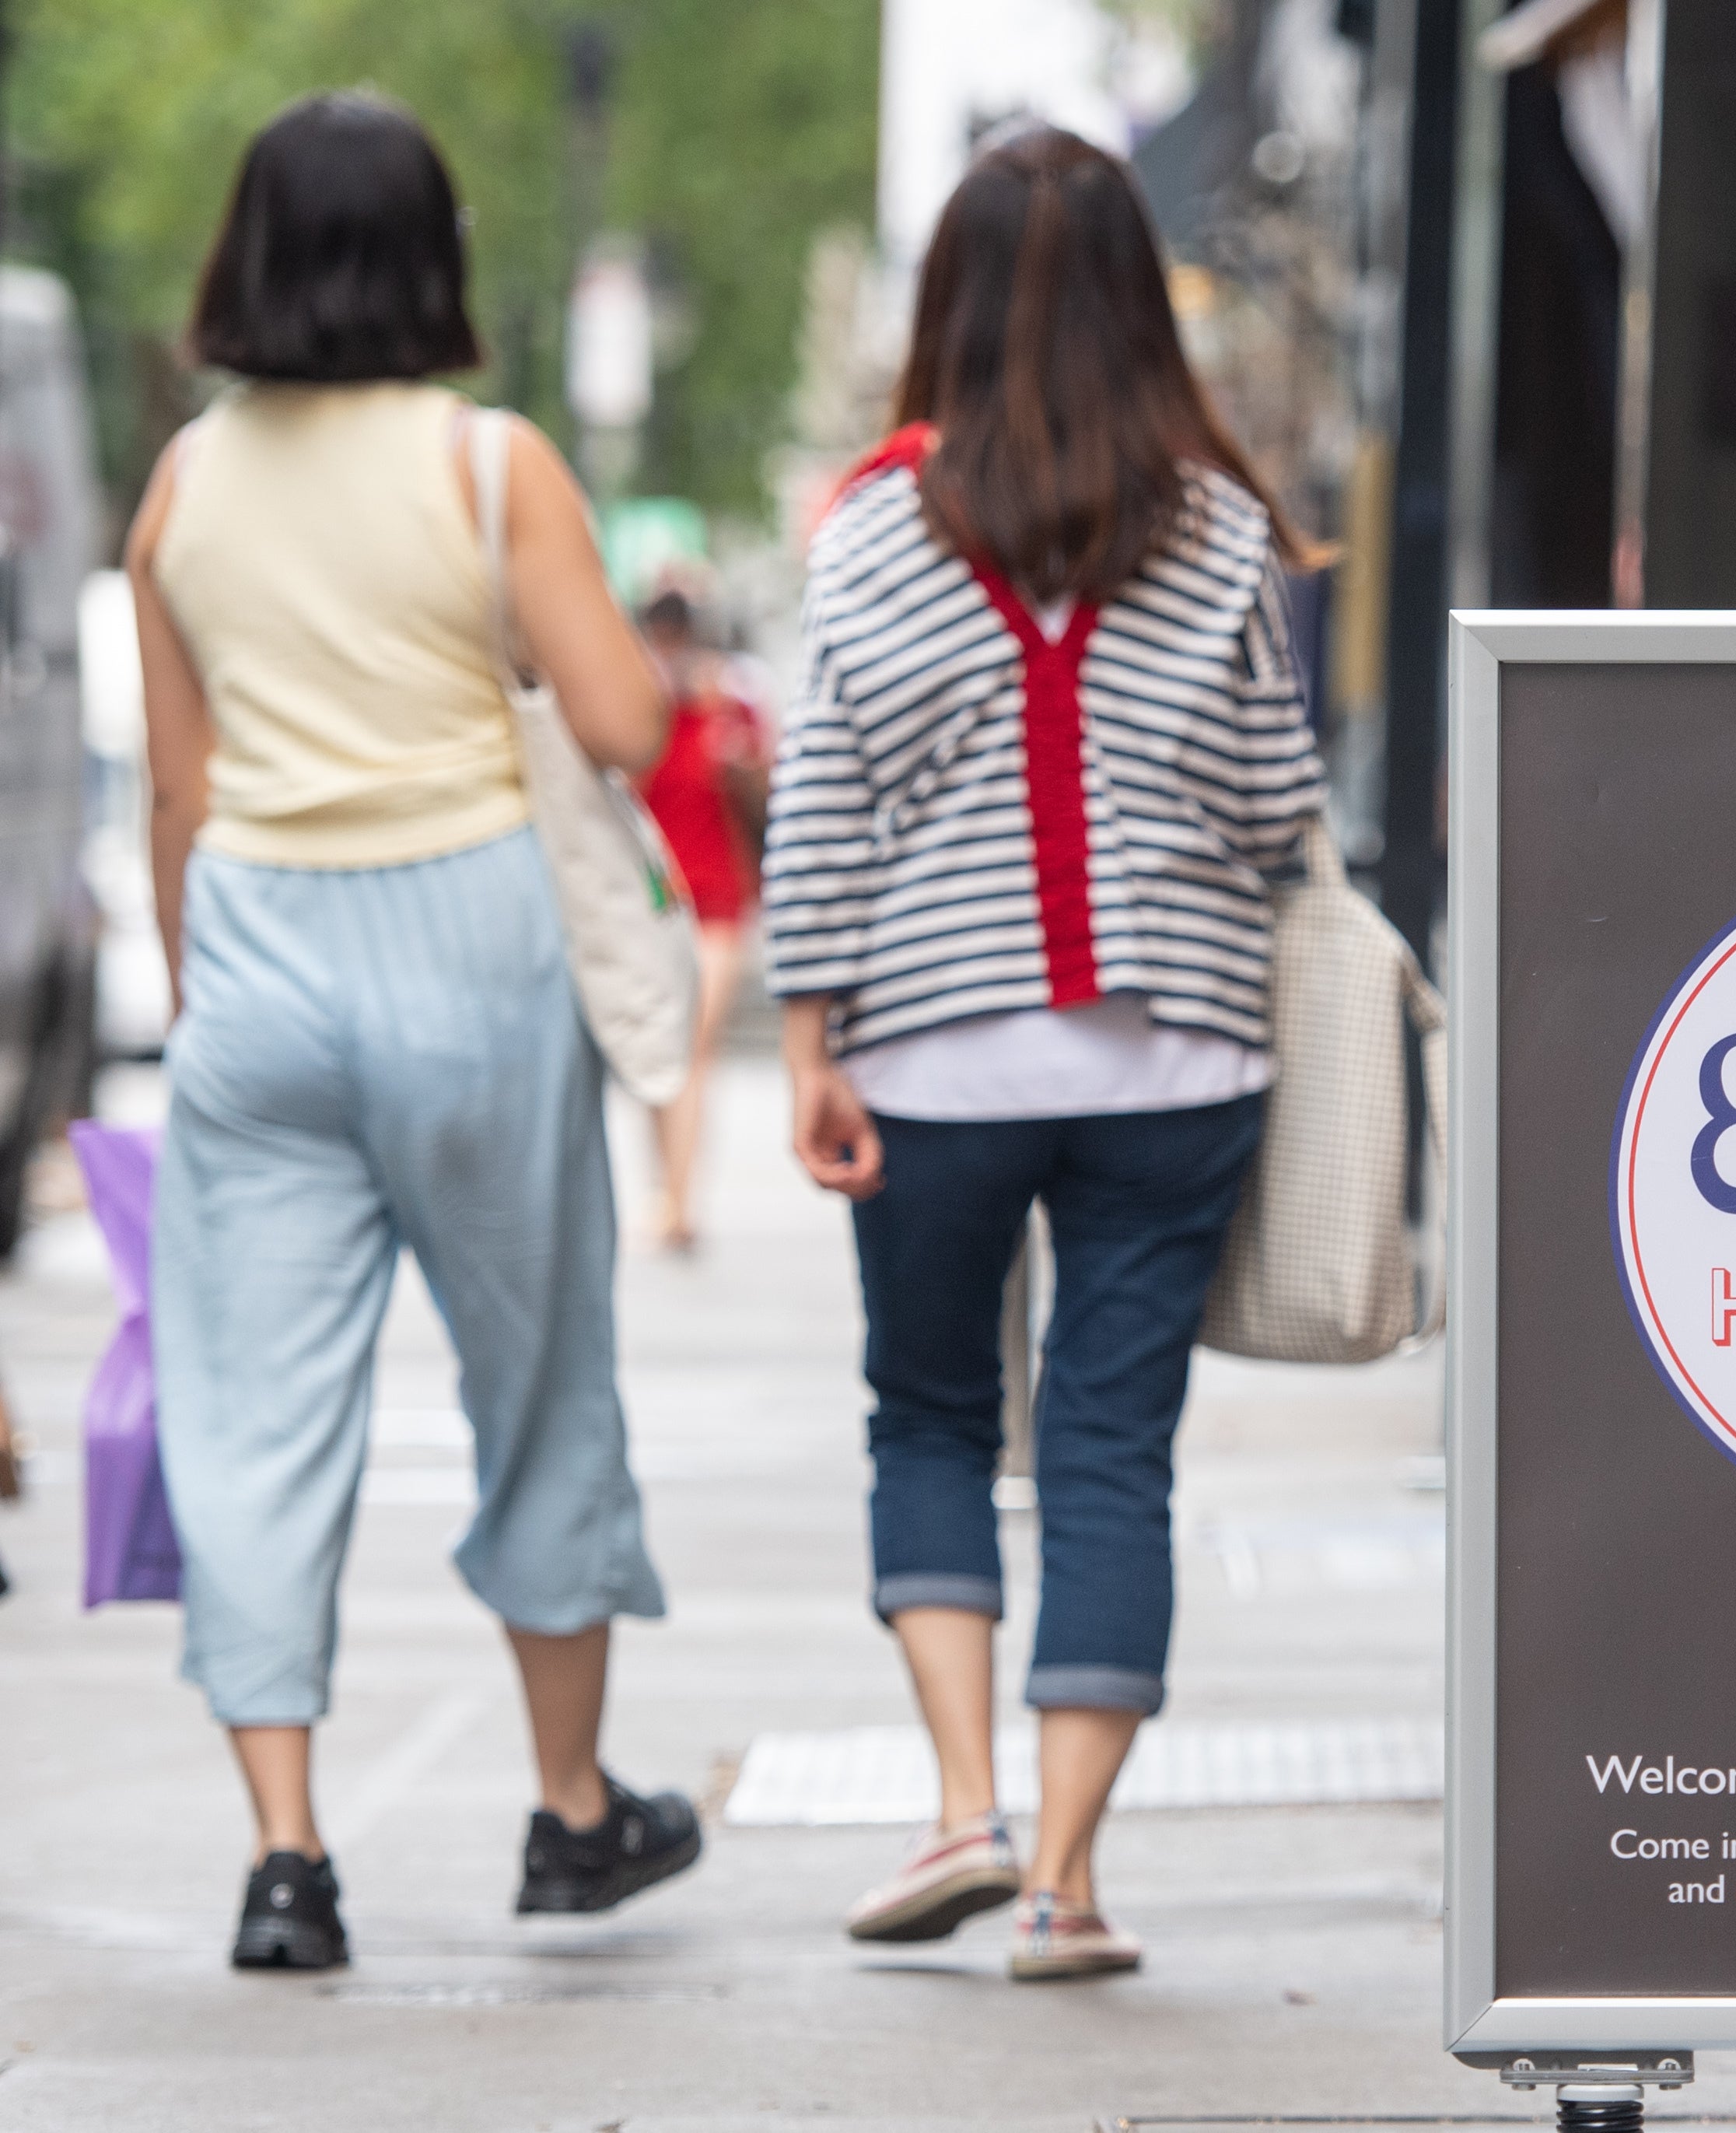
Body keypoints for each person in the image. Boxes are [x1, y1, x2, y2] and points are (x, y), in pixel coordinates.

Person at [124, 91, 703, 1973]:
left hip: (260, 952)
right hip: (466, 933)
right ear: (433, 253)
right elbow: (620, 723)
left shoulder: (185, 487)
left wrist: (206, 993)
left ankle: (287, 1857)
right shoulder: (489, 466)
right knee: (536, 1382)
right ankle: (573, 1811)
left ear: (251, 252)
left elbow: (179, 796)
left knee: (252, 1407)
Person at [765, 128, 1325, 1983]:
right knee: (1109, 1449)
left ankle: (956, 1803)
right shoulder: (1224, 523)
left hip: (929, 1056)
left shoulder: (868, 524)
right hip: (1176, 1059)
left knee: (928, 1414)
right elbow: (1274, 808)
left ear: (945, 301)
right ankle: (1067, 1888)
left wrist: (806, 1042)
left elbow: (825, 807)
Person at [633, 588, 768, 1251]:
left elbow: (770, 793)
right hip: (651, 904)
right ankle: (668, 1188)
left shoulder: (729, 706)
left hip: (719, 899)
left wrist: (733, 745)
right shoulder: (636, 706)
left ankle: (681, 1201)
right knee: (660, 1051)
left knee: (692, 1043)